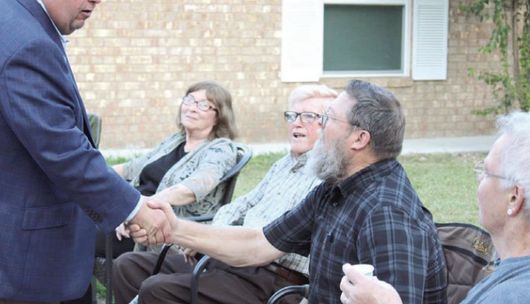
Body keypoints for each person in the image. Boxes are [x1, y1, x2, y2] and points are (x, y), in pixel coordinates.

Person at [130, 80, 448, 304]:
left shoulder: (387, 213)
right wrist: (174, 229)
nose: (318, 128)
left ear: (359, 139)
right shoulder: (333, 191)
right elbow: (258, 244)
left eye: (326, 119)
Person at [0, 0, 170, 303]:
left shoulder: (13, 20)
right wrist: (133, 208)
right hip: (29, 266)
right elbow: (62, 148)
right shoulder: (27, 42)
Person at [112, 84, 337, 304]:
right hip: (230, 258)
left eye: (308, 116)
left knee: (157, 290)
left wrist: (210, 239)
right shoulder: (283, 164)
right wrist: (213, 238)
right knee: (128, 267)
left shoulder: (325, 175)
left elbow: (272, 238)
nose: (296, 123)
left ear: (331, 125)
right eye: (292, 115)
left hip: (270, 276)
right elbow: (237, 206)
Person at [339, 111, 530, 304]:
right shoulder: (517, 274)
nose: (479, 179)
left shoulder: (514, 296)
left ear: (514, 197)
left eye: (487, 172)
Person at [70, 80, 239, 304]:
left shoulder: (220, 148)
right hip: (131, 214)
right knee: (73, 224)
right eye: (189, 100)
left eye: (203, 105)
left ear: (219, 115)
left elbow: (193, 188)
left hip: (157, 227)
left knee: (77, 239)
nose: (191, 107)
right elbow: (133, 167)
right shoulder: (174, 141)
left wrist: (134, 207)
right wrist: (87, 175)